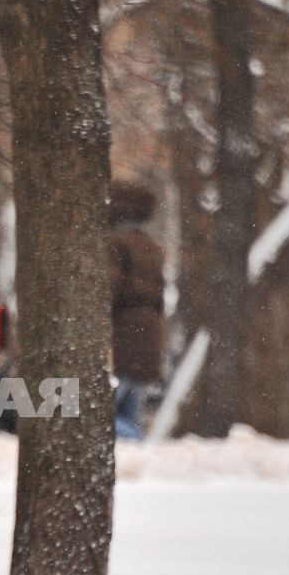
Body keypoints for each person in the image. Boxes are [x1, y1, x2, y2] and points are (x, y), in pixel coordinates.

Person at [108, 184, 166, 441]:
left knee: (102, 416)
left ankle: (133, 449)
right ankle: (136, 456)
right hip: (149, 341)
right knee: (130, 412)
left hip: (121, 341)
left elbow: (108, 290)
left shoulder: (113, 244)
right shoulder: (151, 246)